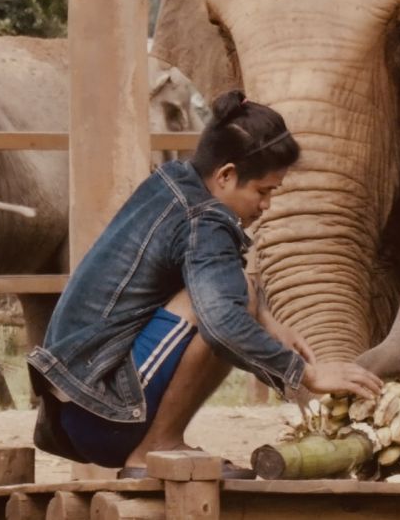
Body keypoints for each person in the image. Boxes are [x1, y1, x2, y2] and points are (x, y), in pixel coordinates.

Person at [27, 91, 382, 478]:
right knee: (224, 310)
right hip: (103, 411)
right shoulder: (205, 219)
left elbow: (224, 285)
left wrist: (268, 318)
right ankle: (155, 450)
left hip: (76, 410)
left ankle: (159, 444)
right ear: (226, 175)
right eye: (263, 191)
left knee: (236, 295)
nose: (266, 206)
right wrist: (306, 374)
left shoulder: (175, 184)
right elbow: (222, 323)